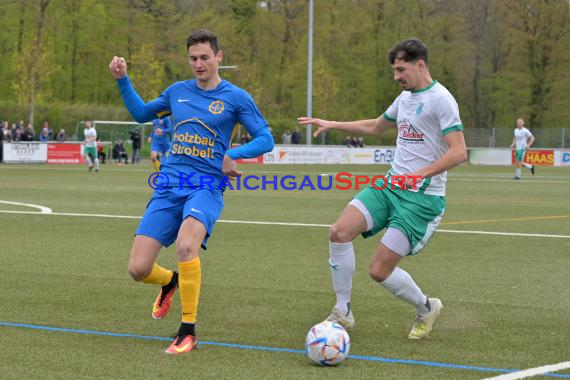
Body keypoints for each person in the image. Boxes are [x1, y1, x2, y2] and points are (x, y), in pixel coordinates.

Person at [109, 28, 274, 355]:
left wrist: (233, 154)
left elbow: (265, 139)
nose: (199, 64)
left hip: (207, 185)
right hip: (169, 186)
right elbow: (142, 114)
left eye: (205, 58)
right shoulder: (177, 92)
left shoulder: (236, 98)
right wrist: (122, 79)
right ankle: (169, 281)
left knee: (187, 245)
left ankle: (187, 331)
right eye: (193, 58)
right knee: (138, 269)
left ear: (219, 57)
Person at [298, 38, 467, 340]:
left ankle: (427, 307)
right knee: (339, 231)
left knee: (378, 270)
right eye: (394, 70)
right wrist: (334, 124)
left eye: (401, 70)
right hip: (389, 186)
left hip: (421, 200)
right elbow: (376, 126)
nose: (396, 77)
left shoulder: (441, 99)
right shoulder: (404, 98)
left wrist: (419, 175)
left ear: (420, 65)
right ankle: (343, 311)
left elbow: (459, 152)